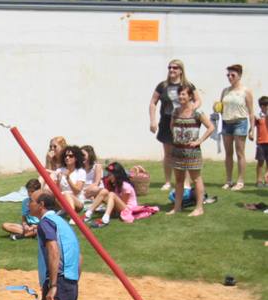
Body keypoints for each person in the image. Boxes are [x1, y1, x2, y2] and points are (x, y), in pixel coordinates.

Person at [150, 60, 201, 191]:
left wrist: (190, 110)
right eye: (170, 67)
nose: (171, 70)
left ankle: (186, 183)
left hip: (183, 122)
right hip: (167, 121)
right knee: (168, 153)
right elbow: (153, 102)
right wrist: (152, 120)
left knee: (185, 152)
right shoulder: (162, 86)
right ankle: (167, 181)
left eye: (175, 67)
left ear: (181, 70)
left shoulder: (187, 85)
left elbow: (198, 100)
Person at [168, 82, 214, 217]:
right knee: (178, 180)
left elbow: (211, 127)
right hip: (177, 151)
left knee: (196, 179)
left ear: (189, 97)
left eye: (183, 94)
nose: (180, 96)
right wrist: (177, 137)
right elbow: (172, 126)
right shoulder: (175, 111)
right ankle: (177, 207)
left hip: (193, 152)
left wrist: (199, 140)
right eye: (179, 94)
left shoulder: (197, 113)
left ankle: (199, 208)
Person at [88, 162, 155, 228]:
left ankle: (105, 219)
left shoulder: (125, 186)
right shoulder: (117, 184)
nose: (109, 176)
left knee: (111, 194)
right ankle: (88, 214)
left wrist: (110, 203)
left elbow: (123, 203)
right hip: (120, 206)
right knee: (103, 192)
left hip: (128, 209)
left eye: (110, 174)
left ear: (117, 175)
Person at [219, 63, 253, 191]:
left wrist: (252, 130)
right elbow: (220, 107)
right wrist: (216, 108)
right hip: (226, 123)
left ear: (239, 76)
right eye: (228, 75)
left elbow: (251, 111)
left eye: (232, 75)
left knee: (240, 153)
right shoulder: (225, 91)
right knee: (228, 153)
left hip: (240, 122)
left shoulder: (245, 91)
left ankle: (240, 181)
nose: (230, 77)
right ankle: (228, 180)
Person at [53, 145, 87, 212]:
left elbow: (77, 191)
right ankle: (69, 212)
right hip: (62, 200)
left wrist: (68, 179)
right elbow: (56, 192)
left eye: (70, 156)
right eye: (65, 156)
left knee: (66, 194)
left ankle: (72, 215)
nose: (67, 158)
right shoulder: (59, 171)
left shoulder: (81, 172)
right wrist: (58, 181)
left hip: (77, 201)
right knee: (63, 195)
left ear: (76, 158)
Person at [255, 95, 268, 188]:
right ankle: (259, 180)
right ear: (262, 106)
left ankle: (267, 180)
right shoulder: (258, 117)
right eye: (266, 105)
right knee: (260, 162)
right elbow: (254, 127)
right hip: (261, 142)